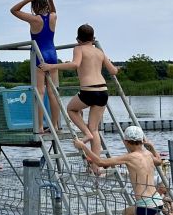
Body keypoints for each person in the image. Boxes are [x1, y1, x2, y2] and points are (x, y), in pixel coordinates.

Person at [74, 126, 163, 215]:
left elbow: (101, 162)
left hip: (146, 204)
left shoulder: (130, 157)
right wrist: (152, 147)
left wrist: (83, 146)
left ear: (126, 142)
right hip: (157, 201)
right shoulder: (147, 154)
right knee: (126, 213)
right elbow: (159, 161)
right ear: (142, 141)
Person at [40, 24, 118, 169]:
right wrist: (117, 68)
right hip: (103, 91)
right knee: (95, 130)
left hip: (88, 90)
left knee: (71, 109)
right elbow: (113, 71)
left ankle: (86, 134)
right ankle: (96, 168)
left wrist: (52, 66)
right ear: (93, 39)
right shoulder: (99, 52)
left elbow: (75, 64)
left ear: (78, 39)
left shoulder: (78, 48)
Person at [10, 0, 60, 133]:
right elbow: (53, 11)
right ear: (47, 4)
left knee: (40, 92)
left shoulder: (34, 19)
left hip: (40, 56)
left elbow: (13, 10)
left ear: (34, 6)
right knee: (53, 92)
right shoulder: (53, 16)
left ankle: (39, 127)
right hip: (53, 55)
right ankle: (55, 126)